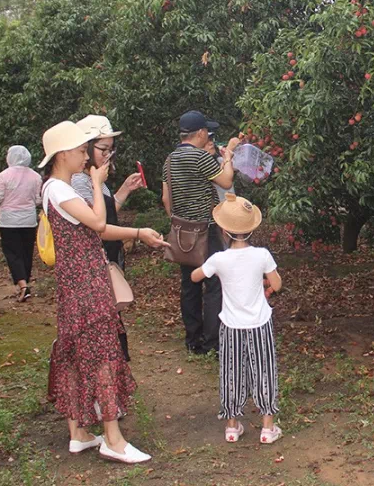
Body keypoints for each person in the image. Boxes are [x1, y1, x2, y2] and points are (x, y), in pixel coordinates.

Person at [39, 120, 167, 464]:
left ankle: (78, 432)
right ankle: (113, 439)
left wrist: (138, 232)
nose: (86, 156)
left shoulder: (55, 189)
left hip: (75, 281)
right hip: (85, 283)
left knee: (74, 350)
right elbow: (97, 223)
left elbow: (99, 228)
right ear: (62, 154)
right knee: (102, 350)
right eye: (82, 151)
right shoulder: (61, 189)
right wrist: (96, 184)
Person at [192, 193, 282, 444]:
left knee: (231, 372)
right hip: (260, 324)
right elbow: (277, 283)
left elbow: (196, 277)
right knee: (264, 371)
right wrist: (262, 281)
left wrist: (211, 269)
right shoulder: (262, 255)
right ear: (251, 228)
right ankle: (267, 428)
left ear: (223, 230)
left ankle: (231, 427)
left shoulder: (219, 259)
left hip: (231, 326)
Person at [161, 110, 239, 355]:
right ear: (202, 132)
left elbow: (166, 198)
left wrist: (179, 221)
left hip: (183, 232)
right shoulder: (200, 157)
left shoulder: (170, 159)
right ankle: (211, 342)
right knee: (214, 283)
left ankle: (192, 340)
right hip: (206, 230)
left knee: (190, 284)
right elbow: (226, 182)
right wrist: (228, 157)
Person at [71, 114, 144, 361]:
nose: (107, 155)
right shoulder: (79, 182)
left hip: (109, 257)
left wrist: (124, 190)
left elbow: (107, 212)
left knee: (113, 315)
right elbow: (98, 226)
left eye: (111, 150)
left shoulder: (97, 179)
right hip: (94, 262)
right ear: (87, 147)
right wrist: (137, 233)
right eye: (103, 149)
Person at [0, 145, 42, 302]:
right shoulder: (35, 176)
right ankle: (25, 282)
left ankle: (23, 285)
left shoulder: (4, 175)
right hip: (29, 220)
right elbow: (39, 199)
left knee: (13, 253)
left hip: (9, 221)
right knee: (26, 252)